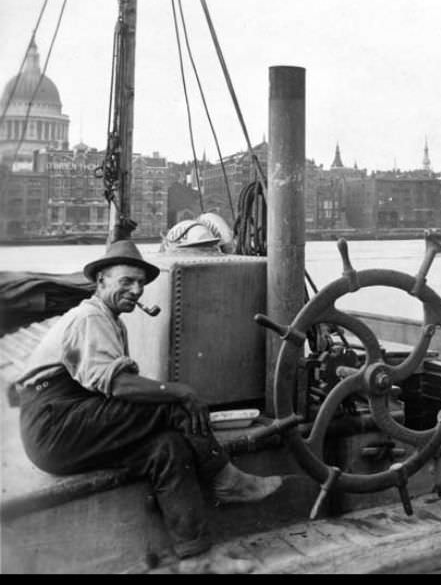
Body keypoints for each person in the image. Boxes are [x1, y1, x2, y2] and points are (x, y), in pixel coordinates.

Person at [16, 239, 282, 566]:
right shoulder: (90, 318)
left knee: (168, 448)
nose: (136, 289)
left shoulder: (111, 320)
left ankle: (198, 557)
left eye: (140, 283)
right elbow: (117, 384)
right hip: (54, 423)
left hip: (63, 432)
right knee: (173, 403)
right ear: (101, 282)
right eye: (126, 281)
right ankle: (225, 478)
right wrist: (180, 392)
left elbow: (112, 391)